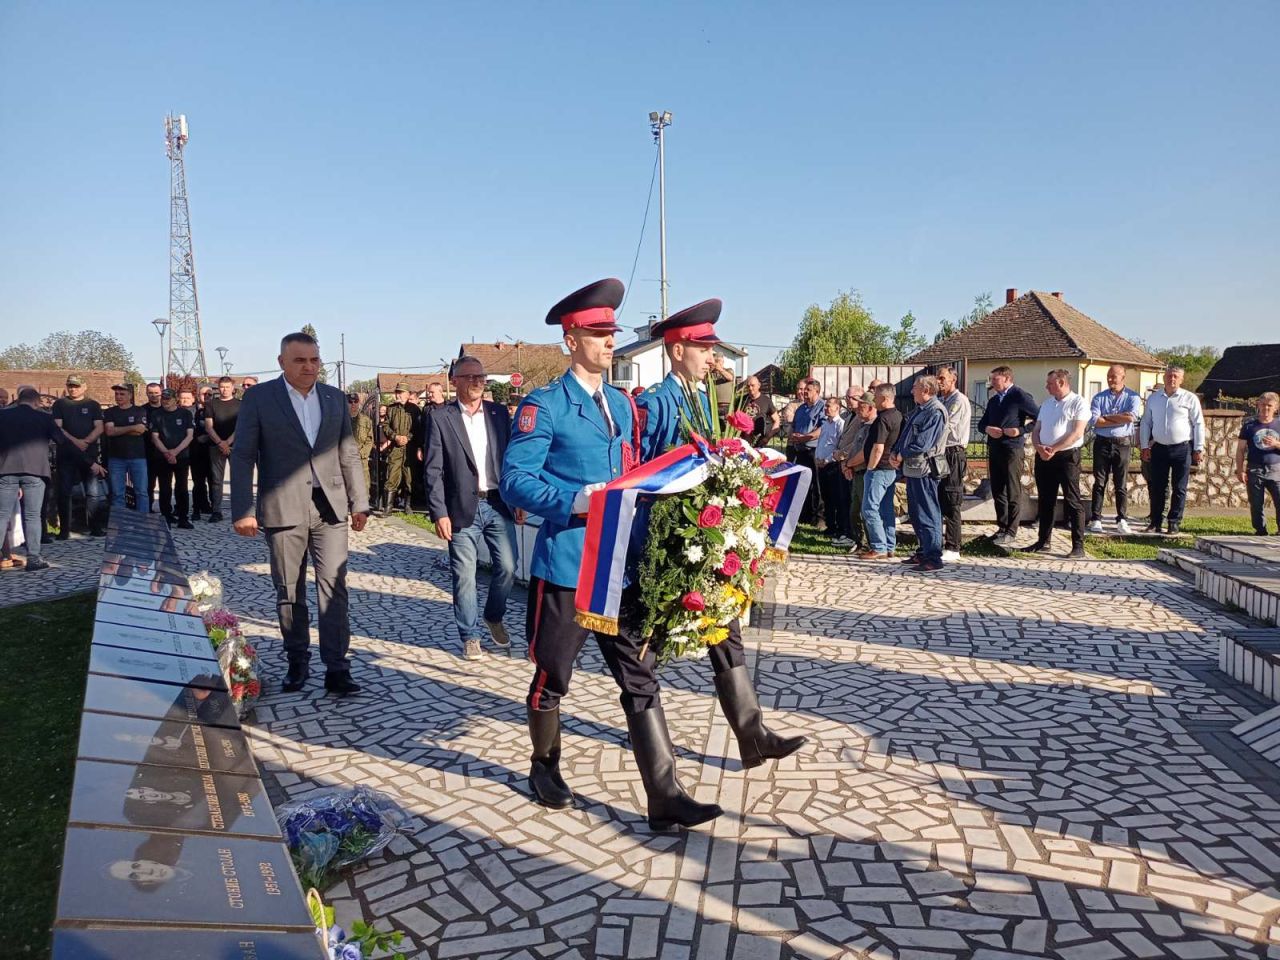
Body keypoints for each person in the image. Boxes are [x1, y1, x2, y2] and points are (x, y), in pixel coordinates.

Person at [501, 278, 722, 830]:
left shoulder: (623, 405)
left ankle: (665, 794)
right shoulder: (544, 406)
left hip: (620, 566)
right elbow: (515, 481)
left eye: (610, 333)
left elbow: (636, 471)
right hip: (570, 566)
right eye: (597, 333)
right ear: (570, 340)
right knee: (553, 674)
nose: (608, 342)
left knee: (640, 675)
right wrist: (573, 500)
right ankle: (543, 765)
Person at [230, 332, 370, 696]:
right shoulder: (260, 399)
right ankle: (297, 661)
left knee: (335, 588)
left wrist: (360, 501)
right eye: (299, 360)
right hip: (283, 509)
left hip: (330, 508)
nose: (309, 367)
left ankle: (338, 667)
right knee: (289, 591)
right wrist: (243, 509)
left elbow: (349, 452)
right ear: (281, 362)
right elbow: (243, 454)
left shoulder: (334, 398)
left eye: (314, 360)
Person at [424, 356, 523, 661]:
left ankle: (493, 616)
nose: (477, 381)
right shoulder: (441, 417)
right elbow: (433, 469)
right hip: (461, 508)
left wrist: (517, 498)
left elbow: (509, 459)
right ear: (455, 382)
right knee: (464, 575)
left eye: (480, 376)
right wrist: (439, 512)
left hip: (497, 502)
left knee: (507, 567)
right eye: (470, 377)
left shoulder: (497, 414)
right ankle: (470, 636)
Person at [1022, 370, 1090, 558]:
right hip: (1044, 456)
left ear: (1061, 383)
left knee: (1072, 499)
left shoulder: (1078, 402)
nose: (1046, 387)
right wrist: (1039, 447)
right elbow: (1037, 429)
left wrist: (1054, 448)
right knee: (1046, 500)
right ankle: (1044, 541)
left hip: (1067, 457)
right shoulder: (1047, 404)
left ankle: (1078, 546)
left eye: (1050, 383)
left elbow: (1077, 432)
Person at [890, 377, 949, 571]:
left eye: (915, 388)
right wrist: (895, 452)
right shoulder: (920, 410)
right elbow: (906, 435)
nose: (912, 391)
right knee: (916, 512)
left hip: (925, 469)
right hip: (913, 469)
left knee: (928, 512)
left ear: (925, 390)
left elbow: (923, 443)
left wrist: (901, 454)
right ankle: (923, 551)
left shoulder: (935, 411)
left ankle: (933, 557)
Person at [976, 366, 1039, 546]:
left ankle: (1012, 530)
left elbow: (1038, 418)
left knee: (1012, 489)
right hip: (995, 447)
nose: (992, 383)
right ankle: (1002, 527)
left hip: (1012, 448)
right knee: (998, 490)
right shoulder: (994, 400)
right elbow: (982, 424)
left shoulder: (1020, 396)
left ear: (1006, 378)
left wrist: (1020, 430)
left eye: (995, 379)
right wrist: (988, 429)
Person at [0, 385, 61, 571]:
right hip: (35, 472)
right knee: (33, 515)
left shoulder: (3, 416)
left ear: (18, 399)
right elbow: (62, 441)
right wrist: (90, 462)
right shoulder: (44, 417)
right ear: (36, 401)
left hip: (6, 470)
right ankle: (34, 558)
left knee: (1, 515)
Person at [1140, 365, 1205, 535]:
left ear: (1182, 379)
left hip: (1182, 448)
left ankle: (1174, 522)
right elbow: (1146, 422)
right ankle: (1155, 521)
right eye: (1169, 376)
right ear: (1164, 378)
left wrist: (1198, 448)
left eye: (1176, 376)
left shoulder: (1189, 398)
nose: (1172, 379)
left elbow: (1198, 424)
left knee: (1179, 487)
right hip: (1159, 448)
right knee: (1157, 486)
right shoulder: (1154, 399)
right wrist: (1144, 446)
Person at [1087, 364, 1142, 535]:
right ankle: (1096, 518)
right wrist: (1119, 418)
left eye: (1114, 376)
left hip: (1122, 443)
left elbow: (1130, 417)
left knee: (1121, 483)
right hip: (1102, 442)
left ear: (1123, 377)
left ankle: (1122, 519)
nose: (1111, 379)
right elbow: (1095, 420)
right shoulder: (1099, 397)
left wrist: (1107, 417)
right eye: (1109, 376)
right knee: (1099, 482)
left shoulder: (1133, 397)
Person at [52, 374, 106, 538]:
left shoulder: (93, 405)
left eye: (76, 386)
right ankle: (64, 530)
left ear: (84, 387)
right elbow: (58, 428)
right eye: (70, 386)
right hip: (66, 455)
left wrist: (87, 441)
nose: (72, 389)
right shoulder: (60, 404)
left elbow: (99, 427)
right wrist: (76, 441)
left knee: (93, 492)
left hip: (89, 453)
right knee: (65, 492)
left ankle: (95, 527)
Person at [856, 384, 903, 560]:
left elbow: (879, 447)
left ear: (884, 398)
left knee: (869, 508)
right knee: (886, 509)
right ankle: (890, 545)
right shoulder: (898, 416)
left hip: (879, 468)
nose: (873, 400)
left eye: (875, 397)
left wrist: (870, 468)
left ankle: (878, 546)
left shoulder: (883, 419)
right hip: (890, 468)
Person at [936, 366, 970, 563]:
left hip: (953, 452)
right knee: (940, 498)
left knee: (952, 498)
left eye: (942, 378)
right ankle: (940, 541)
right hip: (940, 453)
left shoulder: (958, 400)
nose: (939, 381)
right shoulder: (941, 400)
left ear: (953, 380)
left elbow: (946, 425)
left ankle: (953, 545)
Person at [149, 389, 195, 529]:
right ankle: (166, 517)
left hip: (181, 456)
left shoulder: (185, 413)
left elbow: (190, 436)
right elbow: (154, 438)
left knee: (181, 487)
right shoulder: (156, 414)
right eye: (163, 398)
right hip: (162, 457)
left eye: (168, 399)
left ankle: (183, 517)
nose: (165, 401)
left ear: (175, 400)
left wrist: (175, 452)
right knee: (164, 488)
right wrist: (167, 453)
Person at [1236, 391, 1280, 535]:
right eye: (1263, 405)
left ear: (1276, 408)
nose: (1266, 408)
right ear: (1258, 406)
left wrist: (1276, 444)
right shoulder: (1249, 426)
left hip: (1276, 469)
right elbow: (1241, 450)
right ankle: (1260, 530)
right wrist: (1240, 469)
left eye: (1269, 405)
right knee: (1256, 503)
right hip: (1254, 469)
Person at [103, 384, 150, 515]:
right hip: (116, 457)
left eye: (122, 394)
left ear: (130, 395)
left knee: (141, 492)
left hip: (137, 457)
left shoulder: (139, 411)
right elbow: (109, 431)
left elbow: (140, 430)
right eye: (116, 394)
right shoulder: (109, 412)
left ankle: (143, 521)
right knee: (117, 493)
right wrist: (132, 427)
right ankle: (120, 523)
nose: (118, 397)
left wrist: (119, 429)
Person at [839, 391, 877, 553]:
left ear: (870, 408)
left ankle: (871, 544)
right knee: (854, 510)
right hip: (855, 471)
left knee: (865, 511)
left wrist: (848, 463)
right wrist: (846, 465)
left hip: (865, 472)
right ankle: (860, 542)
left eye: (862, 406)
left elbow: (865, 452)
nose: (858, 409)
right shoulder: (862, 425)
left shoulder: (874, 426)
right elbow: (854, 447)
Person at [787, 379, 827, 524]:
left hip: (814, 450)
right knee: (804, 484)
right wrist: (792, 435)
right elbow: (794, 425)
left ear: (817, 391)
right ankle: (805, 515)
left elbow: (822, 429)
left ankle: (820, 518)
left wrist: (805, 437)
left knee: (817, 485)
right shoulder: (801, 408)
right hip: (800, 450)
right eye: (804, 390)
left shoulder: (822, 407)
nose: (804, 392)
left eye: (808, 390)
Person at [815, 395, 851, 545]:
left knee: (836, 497)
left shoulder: (839, 424)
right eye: (825, 406)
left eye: (829, 406)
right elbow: (822, 442)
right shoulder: (825, 424)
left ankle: (839, 527)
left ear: (838, 408)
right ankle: (830, 525)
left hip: (832, 464)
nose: (826, 408)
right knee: (826, 496)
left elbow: (838, 446)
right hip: (821, 464)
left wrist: (827, 459)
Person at [203, 376, 240, 522]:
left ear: (233, 388)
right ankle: (216, 511)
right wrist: (220, 443)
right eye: (222, 387)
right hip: (216, 445)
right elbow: (208, 426)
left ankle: (240, 510)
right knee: (216, 480)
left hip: (235, 446)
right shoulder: (211, 404)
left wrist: (228, 442)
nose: (224, 390)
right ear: (218, 388)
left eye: (227, 387)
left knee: (237, 479)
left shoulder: (240, 405)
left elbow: (241, 426)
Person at [382, 383, 417, 512]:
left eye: (401, 392)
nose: (398, 395)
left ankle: (408, 505)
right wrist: (395, 436)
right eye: (397, 392)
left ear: (408, 394)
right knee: (391, 476)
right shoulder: (391, 409)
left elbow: (418, 428)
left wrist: (408, 438)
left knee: (409, 478)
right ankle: (388, 507)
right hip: (395, 448)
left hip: (409, 449)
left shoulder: (414, 409)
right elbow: (385, 426)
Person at [188, 387, 213, 521]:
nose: (207, 396)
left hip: (212, 450)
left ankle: (214, 509)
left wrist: (208, 437)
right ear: (198, 395)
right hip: (195, 450)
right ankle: (196, 508)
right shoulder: (191, 411)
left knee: (213, 481)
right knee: (198, 482)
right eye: (204, 394)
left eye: (210, 394)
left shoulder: (215, 409)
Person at [739, 375, 780, 447]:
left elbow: (777, 420)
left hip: (759, 441)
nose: (750, 388)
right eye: (748, 386)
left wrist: (768, 437)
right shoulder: (742, 400)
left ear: (759, 385)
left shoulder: (766, 400)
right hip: (743, 441)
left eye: (752, 385)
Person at [348, 393, 374, 493]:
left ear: (359, 403)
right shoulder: (340, 420)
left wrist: (362, 453)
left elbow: (369, 439)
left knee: (364, 484)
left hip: (361, 458)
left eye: (355, 401)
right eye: (350, 402)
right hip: (346, 458)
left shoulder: (366, 420)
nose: (353, 404)